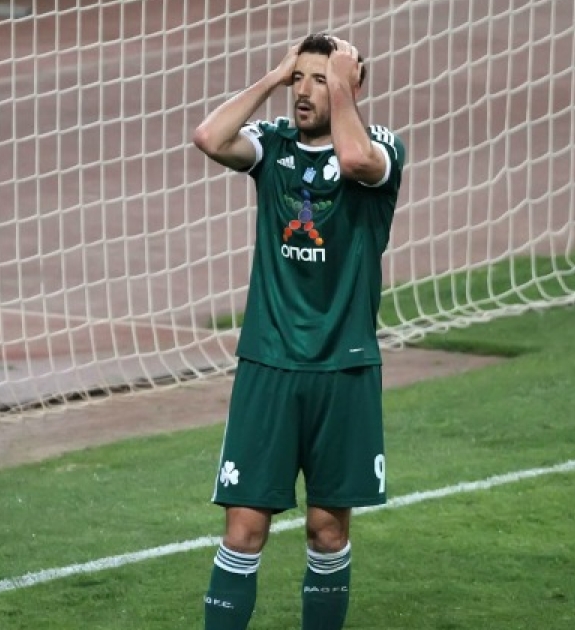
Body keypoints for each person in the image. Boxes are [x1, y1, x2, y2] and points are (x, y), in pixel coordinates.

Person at [191, 32, 405, 630]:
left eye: (319, 79)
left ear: (350, 85)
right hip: (270, 363)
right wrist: (272, 76)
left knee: (327, 531)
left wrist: (343, 87)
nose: (303, 92)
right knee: (243, 530)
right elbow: (210, 138)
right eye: (299, 79)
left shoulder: (382, 148)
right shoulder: (272, 145)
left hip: (344, 367)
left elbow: (356, 161)